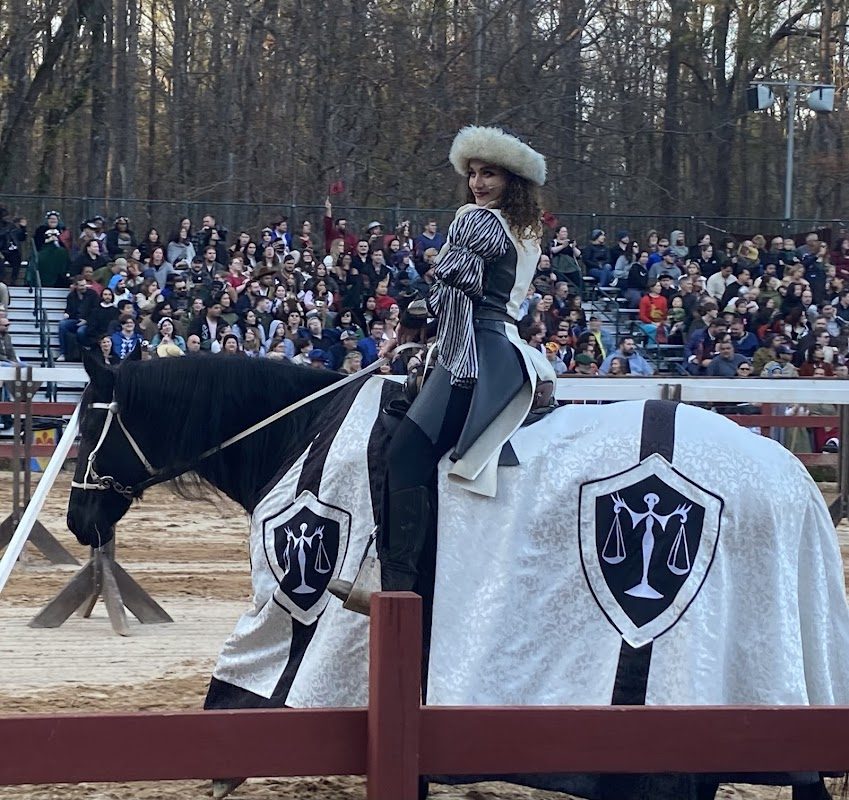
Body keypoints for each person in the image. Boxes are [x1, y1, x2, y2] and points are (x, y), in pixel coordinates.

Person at [330, 125, 547, 613]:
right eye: (473, 174)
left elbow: (451, 290)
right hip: (508, 347)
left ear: (511, 180)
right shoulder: (527, 230)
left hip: (473, 351)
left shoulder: (476, 222)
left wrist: (414, 327)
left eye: (489, 174)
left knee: (404, 456)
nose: (477, 184)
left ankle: (397, 589)